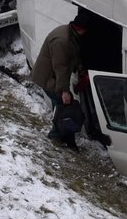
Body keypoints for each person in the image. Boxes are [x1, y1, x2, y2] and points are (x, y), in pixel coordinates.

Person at [31, 10, 91, 146]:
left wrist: (79, 65)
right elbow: (60, 67)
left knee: (59, 106)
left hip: (53, 76)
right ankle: (57, 136)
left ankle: (60, 135)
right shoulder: (62, 41)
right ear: (81, 29)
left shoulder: (70, 34)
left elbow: (72, 54)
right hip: (47, 78)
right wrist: (64, 91)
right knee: (64, 104)